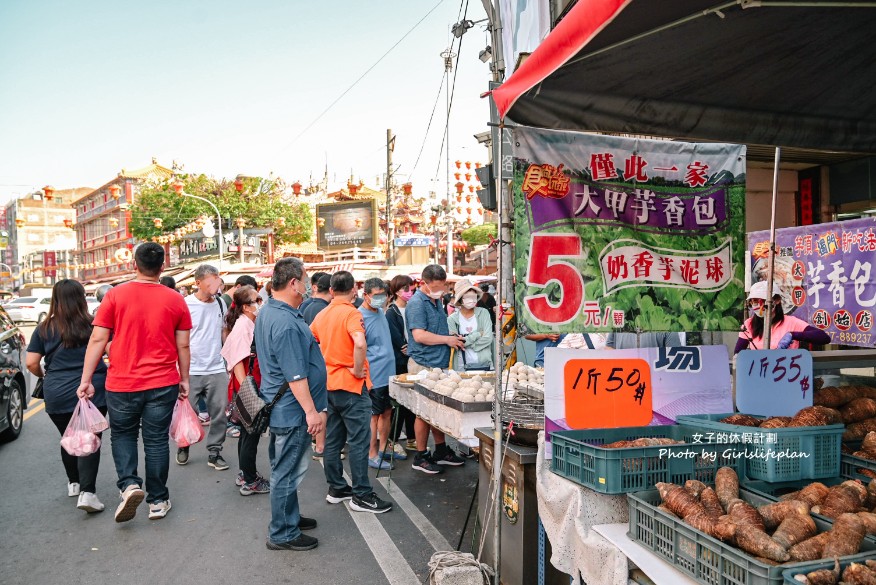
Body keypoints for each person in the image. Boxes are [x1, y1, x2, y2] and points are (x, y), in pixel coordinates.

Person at [77, 242, 192, 523]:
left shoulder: (115, 296)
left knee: (124, 435)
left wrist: (86, 379)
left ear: (134, 265)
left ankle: (129, 485)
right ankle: (157, 500)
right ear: (162, 267)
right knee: (155, 442)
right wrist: (185, 379)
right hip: (163, 382)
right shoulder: (176, 299)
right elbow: (184, 345)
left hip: (122, 383)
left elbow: (98, 339)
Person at [255, 257, 327, 551]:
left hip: (283, 406)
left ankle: (290, 518)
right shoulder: (283, 321)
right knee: (286, 472)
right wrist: (311, 411)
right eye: (306, 279)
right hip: (292, 409)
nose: (309, 284)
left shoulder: (274, 310)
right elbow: (295, 374)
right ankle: (282, 533)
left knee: (284, 467)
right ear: (294, 283)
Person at [310, 271, 393, 514]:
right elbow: (359, 342)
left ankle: (337, 488)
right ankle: (362, 494)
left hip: (329, 386)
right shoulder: (351, 313)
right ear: (355, 291)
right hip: (351, 386)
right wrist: (357, 370)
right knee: (358, 441)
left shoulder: (322, 314)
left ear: (332, 291)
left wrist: (326, 363)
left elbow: (309, 339)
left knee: (334, 440)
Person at [27, 279, 108, 513]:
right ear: (82, 298)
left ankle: (74, 483)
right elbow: (109, 349)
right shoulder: (94, 324)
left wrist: (45, 374)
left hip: (57, 391)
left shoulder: (44, 328)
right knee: (90, 439)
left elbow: (31, 362)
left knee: (69, 435)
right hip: (93, 389)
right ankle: (88, 492)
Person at [406, 264, 467, 474]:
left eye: (443, 286)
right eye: (437, 286)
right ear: (424, 283)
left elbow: (437, 330)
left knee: (436, 409)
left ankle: (440, 450)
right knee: (422, 412)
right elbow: (419, 336)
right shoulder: (416, 304)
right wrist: (448, 340)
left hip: (439, 364)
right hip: (423, 364)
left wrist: (452, 337)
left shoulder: (436, 300)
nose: (441, 290)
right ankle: (421, 455)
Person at [177, 264, 230, 470]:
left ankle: (214, 451)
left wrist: (228, 357)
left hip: (216, 368)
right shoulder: (185, 305)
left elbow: (223, 330)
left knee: (219, 414)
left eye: (217, 279)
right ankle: (183, 445)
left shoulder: (220, 303)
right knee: (186, 413)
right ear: (198, 283)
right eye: (210, 280)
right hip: (191, 370)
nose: (215, 284)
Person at [221, 285, 269, 496]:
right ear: (246, 307)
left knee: (247, 434)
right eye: (257, 300)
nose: (260, 303)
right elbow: (238, 362)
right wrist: (248, 392)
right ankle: (250, 480)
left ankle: (244, 473)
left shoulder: (248, 323)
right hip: (247, 387)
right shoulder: (242, 327)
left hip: (247, 386)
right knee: (251, 434)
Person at [359, 278, 401, 469]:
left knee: (386, 412)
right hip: (373, 375)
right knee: (373, 416)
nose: (380, 299)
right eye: (376, 295)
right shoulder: (359, 316)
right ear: (365, 294)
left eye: (383, 295)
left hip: (389, 373)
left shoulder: (381, 313)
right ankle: (372, 453)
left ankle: (384, 448)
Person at [735, 281, 831, 353]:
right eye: (753, 301)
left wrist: (793, 335)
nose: (756, 305)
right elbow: (738, 354)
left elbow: (824, 337)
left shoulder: (791, 322)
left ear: (777, 300)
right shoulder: (748, 324)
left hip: (786, 373)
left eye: (760, 300)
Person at [385, 275, 416, 453]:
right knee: (399, 403)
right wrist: (406, 347)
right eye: (406, 289)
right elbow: (396, 338)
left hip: (412, 359)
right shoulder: (392, 312)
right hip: (399, 362)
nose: (409, 292)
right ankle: (393, 438)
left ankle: (412, 438)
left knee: (411, 403)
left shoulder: (412, 308)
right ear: (397, 291)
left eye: (410, 288)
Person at [448, 279, 494, 371]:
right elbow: (456, 343)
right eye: (467, 297)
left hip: (483, 364)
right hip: (461, 366)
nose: (471, 300)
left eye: (473, 296)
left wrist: (465, 340)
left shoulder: (483, 313)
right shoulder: (452, 319)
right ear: (461, 299)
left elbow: (488, 338)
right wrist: (478, 334)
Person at [606, 331, 682, 349]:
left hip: (656, 380)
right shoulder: (618, 318)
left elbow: (675, 354)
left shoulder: (667, 320)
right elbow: (609, 348)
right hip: (623, 378)